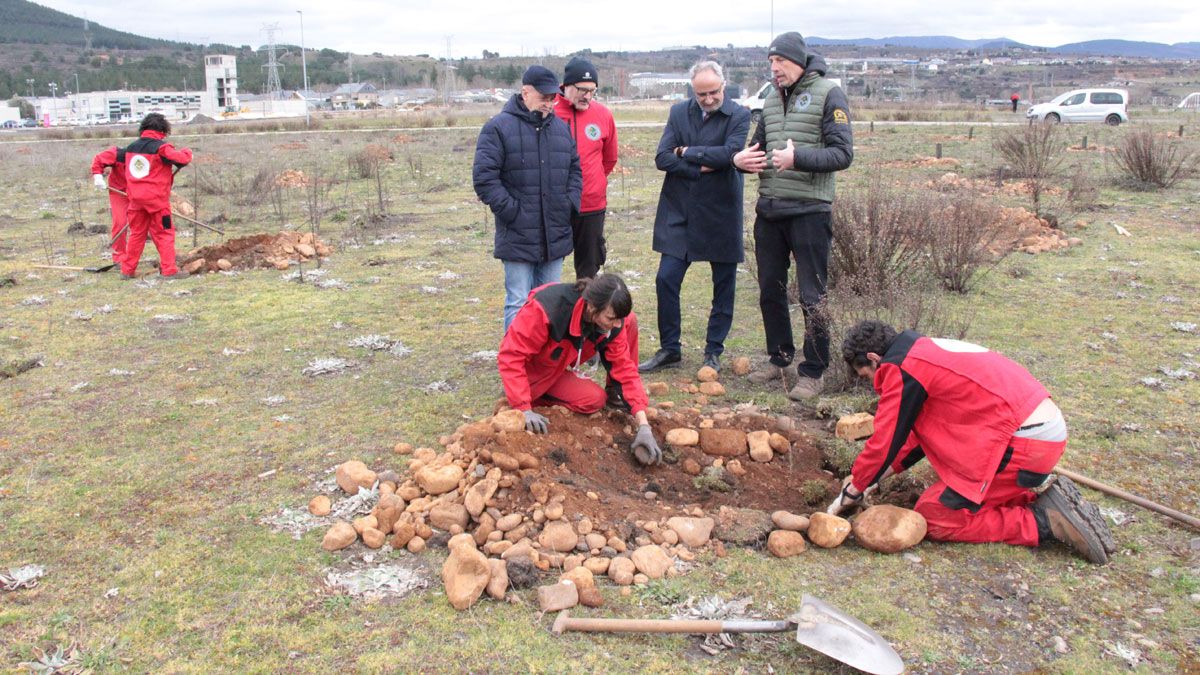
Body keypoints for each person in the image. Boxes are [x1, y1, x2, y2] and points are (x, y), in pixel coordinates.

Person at [827, 320, 1116, 565]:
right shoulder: (925, 352)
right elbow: (916, 435)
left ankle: (1043, 522)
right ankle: (1050, 503)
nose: (872, 383)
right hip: (1038, 433)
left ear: (875, 358)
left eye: (867, 375)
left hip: (1022, 444)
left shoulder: (902, 368)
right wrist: (878, 476)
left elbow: (886, 439)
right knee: (959, 495)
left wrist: (854, 490)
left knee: (936, 514)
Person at [733, 32, 854, 400]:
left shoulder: (829, 93)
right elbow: (756, 147)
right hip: (769, 209)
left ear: (798, 60)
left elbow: (842, 154)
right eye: (770, 62)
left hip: (809, 212)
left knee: (811, 294)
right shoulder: (769, 98)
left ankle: (813, 371)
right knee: (770, 290)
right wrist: (739, 162)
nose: (773, 68)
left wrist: (797, 157)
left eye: (779, 62)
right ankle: (779, 358)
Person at [638, 61, 750, 375]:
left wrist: (685, 151)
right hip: (680, 211)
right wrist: (702, 164)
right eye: (701, 94)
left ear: (723, 87)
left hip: (721, 212)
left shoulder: (739, 115)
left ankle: (713, 351)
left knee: (723, 286)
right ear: (693, 91)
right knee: (666, 279)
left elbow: (731, 154)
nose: (708, 99)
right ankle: (670, 349)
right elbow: (662, 157)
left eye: (713, 92)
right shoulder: (678, 112)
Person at [498, 274, 663, 466]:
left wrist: (643, 425)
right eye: (611, 318)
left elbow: (624, 368)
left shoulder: (608, 322)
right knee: (588, 398)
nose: (617, 324)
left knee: (595, 398)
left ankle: (614, 394)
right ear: (592, 306)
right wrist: (523, 407)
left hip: (560, 362)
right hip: (537, 369)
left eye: (618, 318)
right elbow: (511, 355)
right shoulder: (546, 309)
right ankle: (525, 394)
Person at [474, 65, 583, 332]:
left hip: (555, 230)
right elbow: (485, 180)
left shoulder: (560, 129)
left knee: (551, 301)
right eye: (543, 97)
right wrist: (513, 212)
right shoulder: (498, 128)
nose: (549, 103)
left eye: (552, 98)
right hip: (518, 233)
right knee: (518, 301)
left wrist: (568, 204)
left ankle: (544, 364)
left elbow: (575, 171)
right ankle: (516, 365)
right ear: (525, 92)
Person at [553, 57, 618, 280]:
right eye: (582, 90)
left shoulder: (603, 115)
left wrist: (592, 181)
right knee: (548, 271)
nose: (587, 96)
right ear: (566, 86)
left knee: (588, 276)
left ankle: (586, 314)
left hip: (591, 205)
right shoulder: (549, 111)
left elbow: (609, 159)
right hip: (554, 205)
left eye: (592, 91)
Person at [119, 113, 192, 279]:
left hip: (135, 200)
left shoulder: (131, 148)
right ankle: (169, 270)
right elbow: (181, 159)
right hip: (156, 200)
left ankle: (127, 270)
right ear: (163, 129)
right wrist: (187, 152)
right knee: (164, 233)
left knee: (137, 234)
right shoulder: (161, 148)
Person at [90, 144, 130, 264]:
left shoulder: (149, 155)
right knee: (120, 223)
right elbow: (99, 160)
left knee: (154, 223)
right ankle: (119, 258)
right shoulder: (119, 154)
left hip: (141, 193)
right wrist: (97, 176)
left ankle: (168, 258)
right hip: (119, 192)